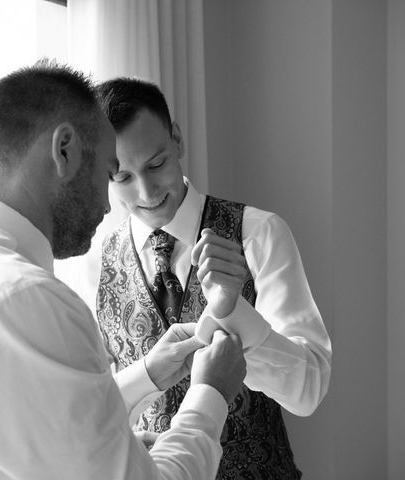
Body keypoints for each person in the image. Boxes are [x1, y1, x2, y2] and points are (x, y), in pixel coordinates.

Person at [0, 60, 247, 479]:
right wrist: (210, 394)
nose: (108, 202)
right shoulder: (24, 297)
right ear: (64, 151)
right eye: (110, 173)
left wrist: (142, 387)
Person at [94, 78, 333, 479]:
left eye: (157, 164)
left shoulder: (259, 233)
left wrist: (234, 313)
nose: (147, 190)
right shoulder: (95, 260)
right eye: (123, 178)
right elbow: (95, 409)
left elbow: (307, 391)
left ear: (177, 140)